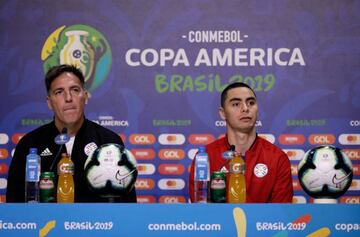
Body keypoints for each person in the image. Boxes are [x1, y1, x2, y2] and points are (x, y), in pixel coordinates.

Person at [6, 64, 137, 203]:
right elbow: (14, 207)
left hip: (97, 224)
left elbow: (126, 206)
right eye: (59, 92)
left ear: (85, 96)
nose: (68, 98)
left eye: (75, 90)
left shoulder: (108, 142)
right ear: (49, 102)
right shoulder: (30, 144)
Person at [189, 82, 293, 203]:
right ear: (223, 113)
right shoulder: (205, 157)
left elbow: (280, 217)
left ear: (257, 110)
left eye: (251, 103)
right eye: (236, 104)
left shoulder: (277, 158)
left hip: (262, 222)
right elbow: (201, 212)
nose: (245, 108)